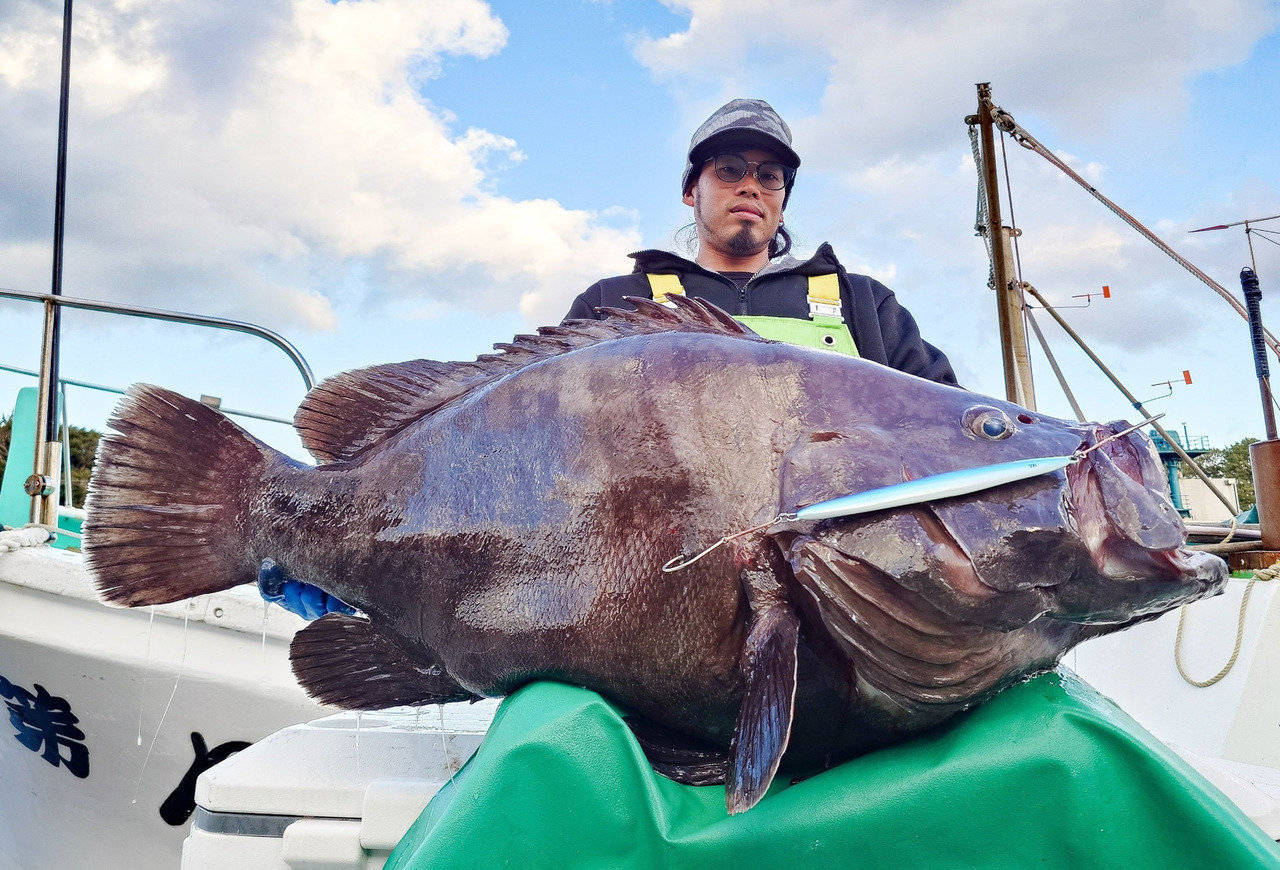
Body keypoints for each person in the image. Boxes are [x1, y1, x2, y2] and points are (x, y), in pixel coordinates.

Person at [562, 99, 957, 385]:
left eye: (769, 176)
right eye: (729, 170)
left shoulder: (866, 304)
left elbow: (945, 424)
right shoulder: (611, 303)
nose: (751, 186)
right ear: (690, 190)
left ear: (781, 204)